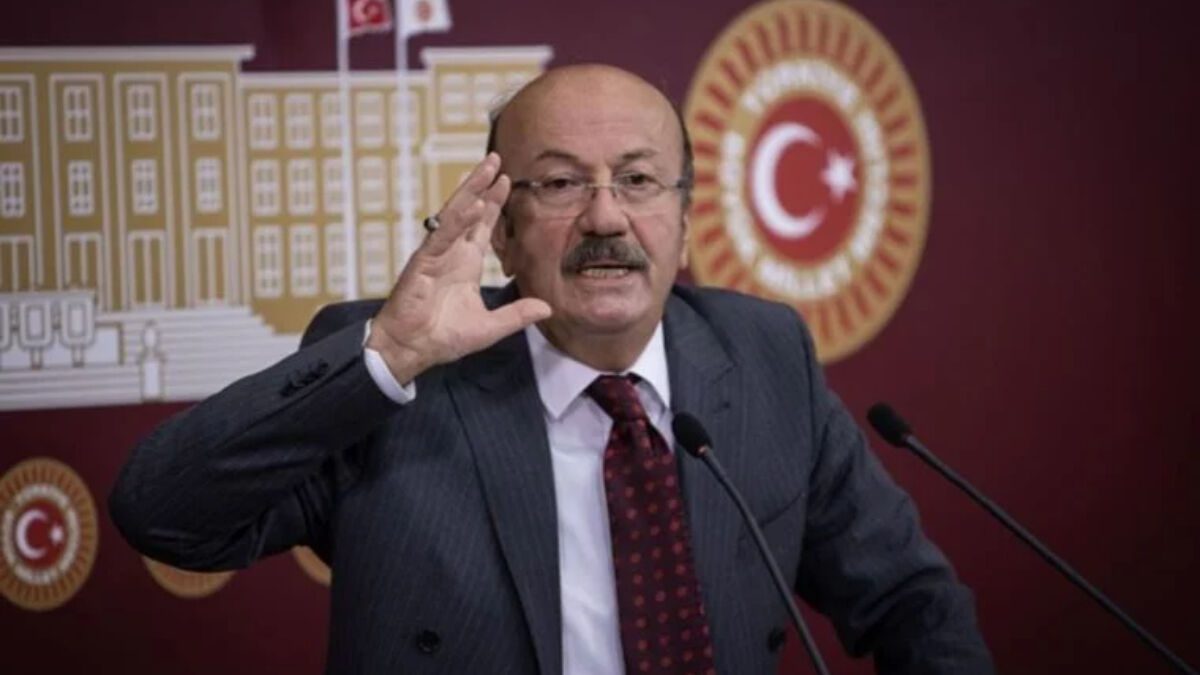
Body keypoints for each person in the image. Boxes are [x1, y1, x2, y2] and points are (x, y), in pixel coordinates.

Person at [110, 64, 993, 674]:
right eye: (562, 184)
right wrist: (386, 357)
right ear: (500, 230)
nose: (606, 217)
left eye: (639, 180)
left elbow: (910, 597)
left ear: (685, 221)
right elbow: (163, 513)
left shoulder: (764, 356)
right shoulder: (398, 376)